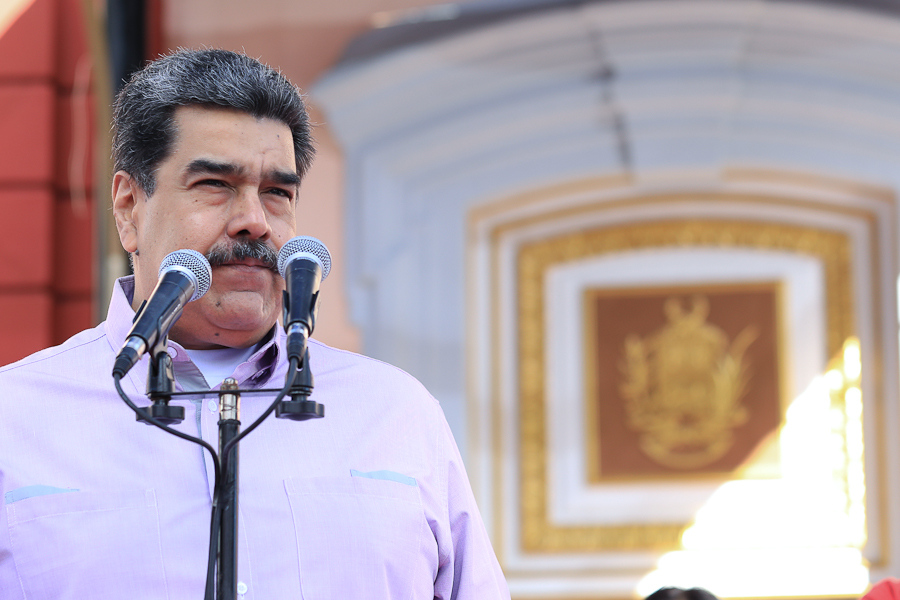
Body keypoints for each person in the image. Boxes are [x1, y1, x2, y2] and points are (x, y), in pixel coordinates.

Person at [0, 48, 509, 599]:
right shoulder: (16, 420)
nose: (254, 222)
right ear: (129, 207)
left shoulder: (396, 414)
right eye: (215, 184)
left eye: (277, 193)